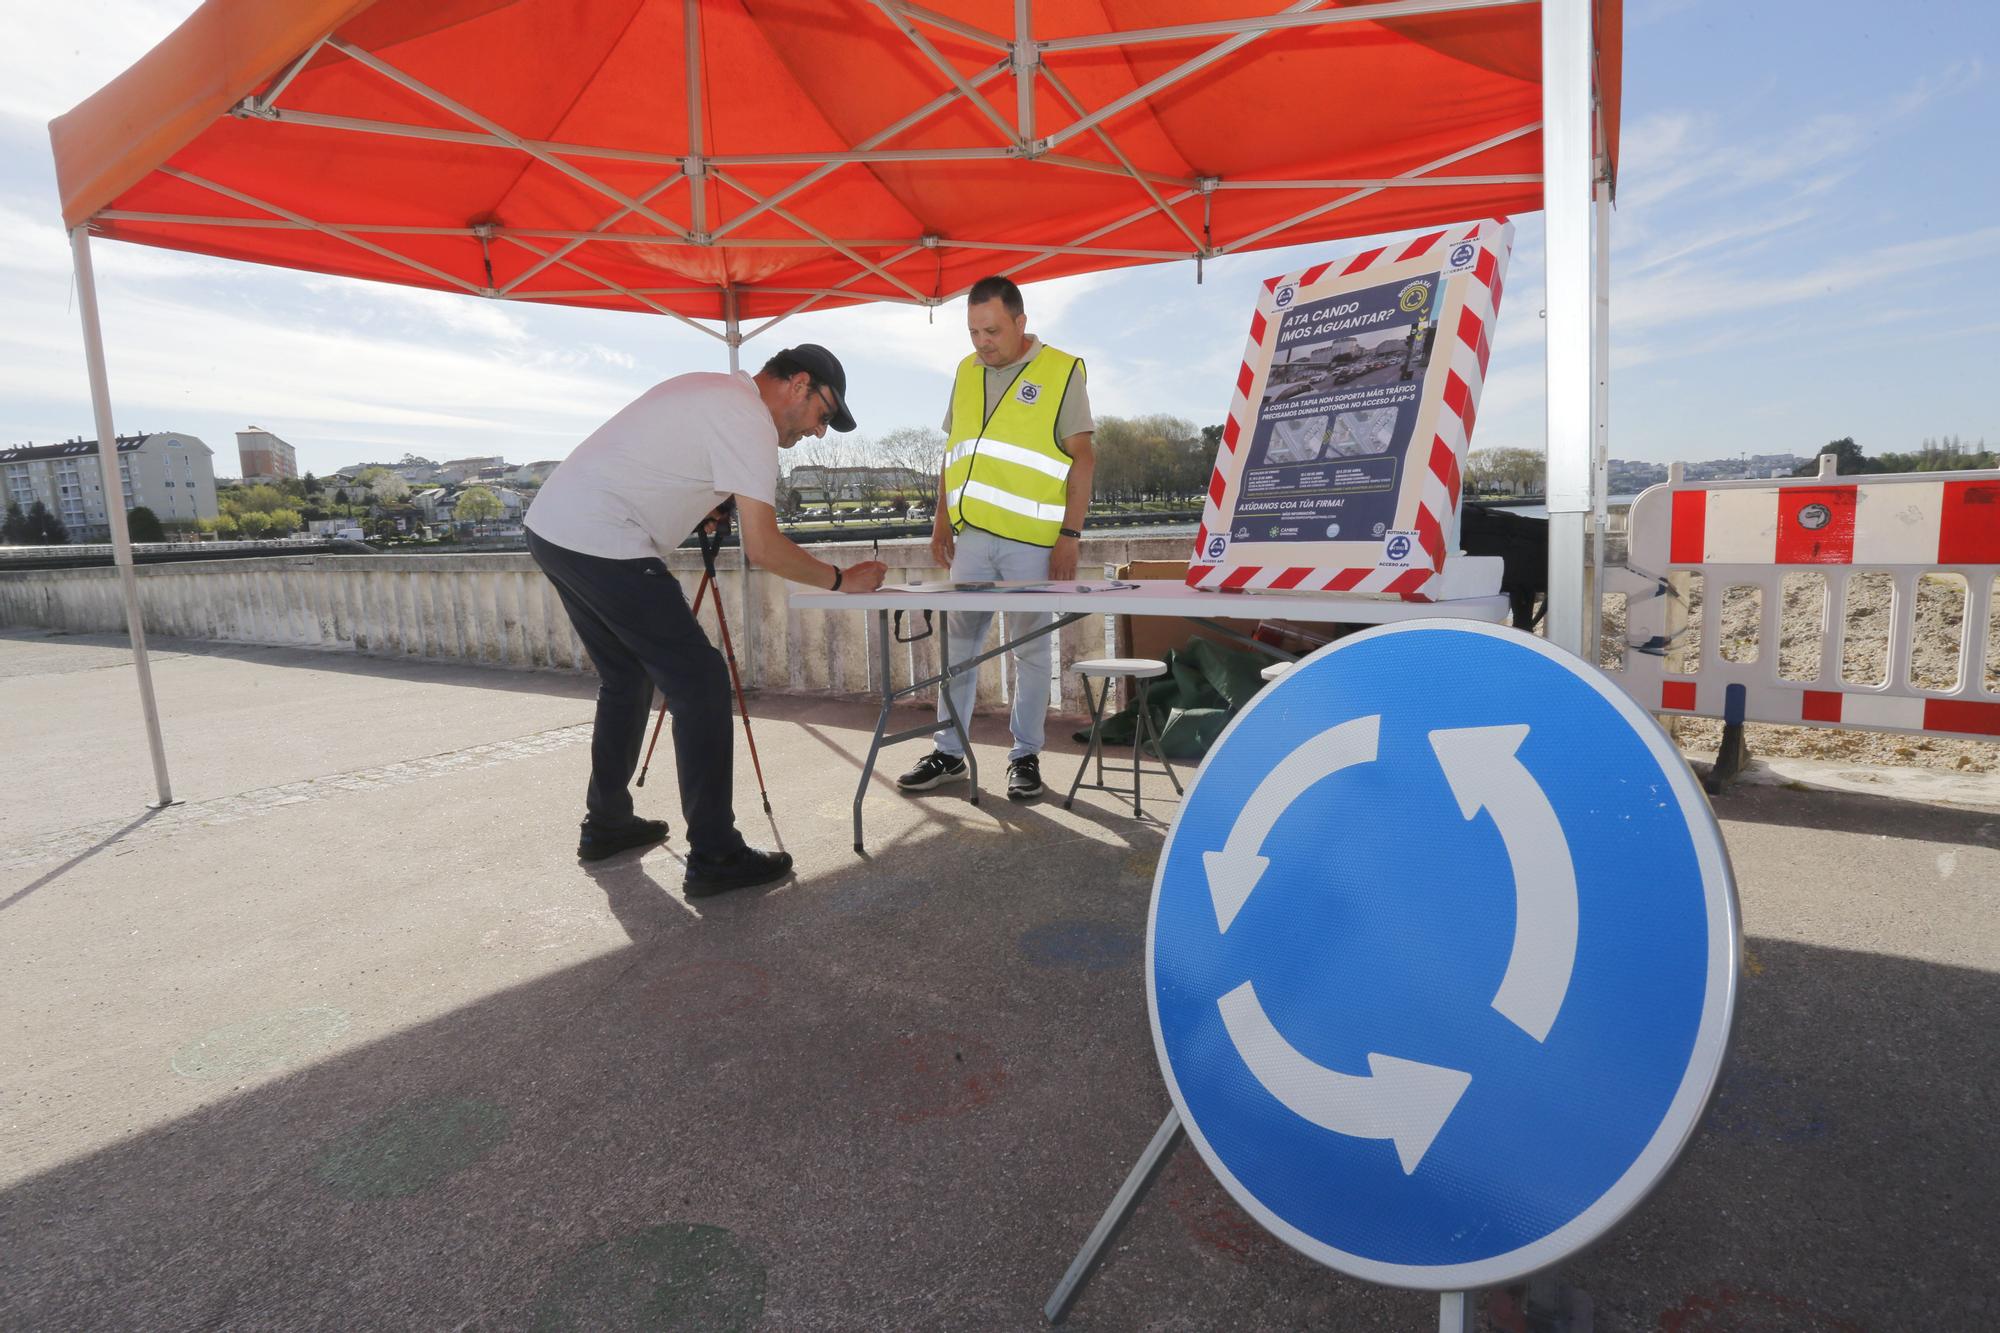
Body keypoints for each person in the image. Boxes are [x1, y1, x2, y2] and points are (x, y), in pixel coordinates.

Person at [526, 344, 886, 892]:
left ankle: (607, 824)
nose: (819, 430)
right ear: (799, 385)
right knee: (702, 682)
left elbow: (665, 466)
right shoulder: (749, 421)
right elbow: (765, 548)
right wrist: (842, 579)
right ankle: (715, 854)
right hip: (604, 537)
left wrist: (707, 505)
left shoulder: (717, 393)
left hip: (555, 530)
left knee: (626, 678)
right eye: (824, 414)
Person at [896, 275, 1096, 802]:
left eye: (992, 330)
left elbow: (1083, 457)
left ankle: (1025, 757)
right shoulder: (965, 371)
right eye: (973, 332)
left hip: (1033, 543)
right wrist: (941, 519)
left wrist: (1069, 536)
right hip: (972, 540)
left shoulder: (1061, 370)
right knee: (958, 650)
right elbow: (953, 450)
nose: (982, 342)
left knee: (1031, 653)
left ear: (1021, 322)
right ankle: (948, 753)